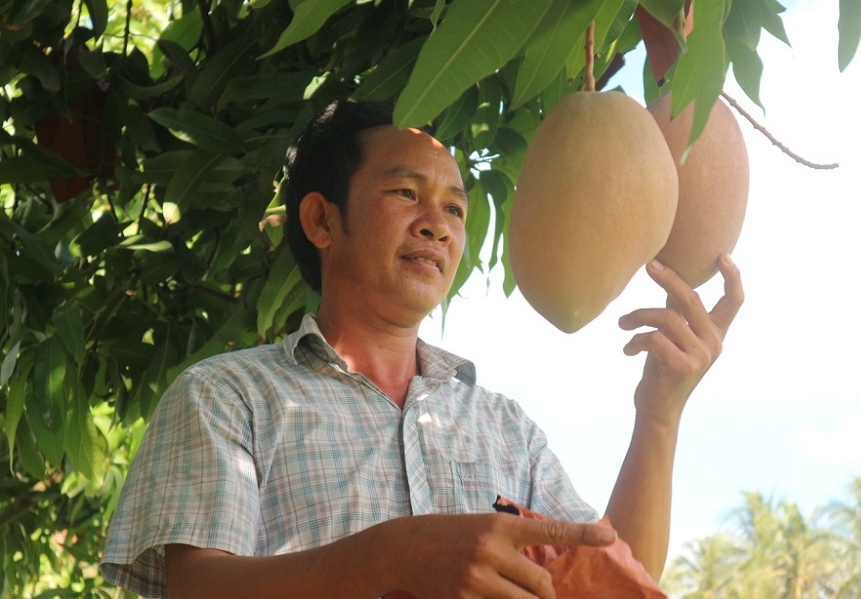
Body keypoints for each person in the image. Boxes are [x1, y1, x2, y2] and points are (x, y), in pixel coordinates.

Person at [100, 98, 743, 599]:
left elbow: (607, 580)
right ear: (322, 220)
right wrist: (395, 555)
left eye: (456, 209)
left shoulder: (504, 429)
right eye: (406, 193)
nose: (437, 223)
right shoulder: (227, 397)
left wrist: (659, 414)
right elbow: (198, 589)